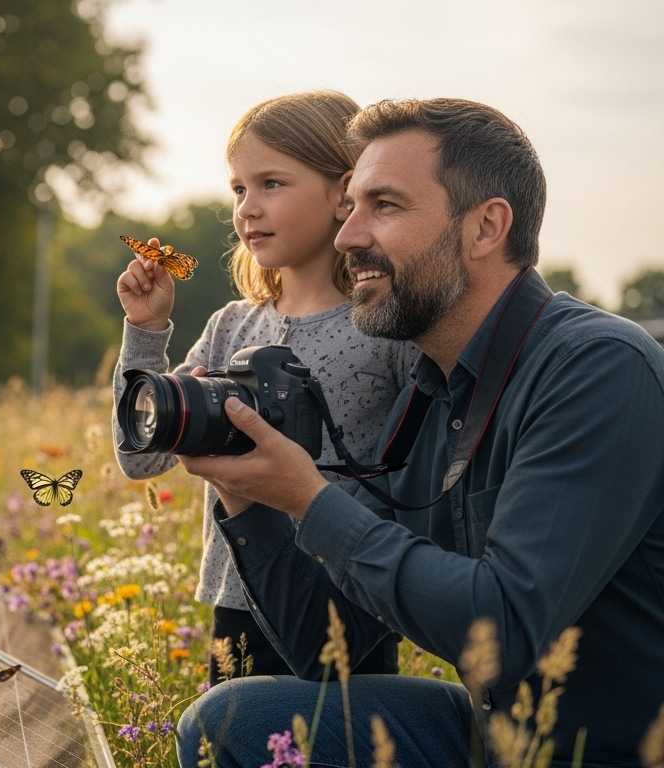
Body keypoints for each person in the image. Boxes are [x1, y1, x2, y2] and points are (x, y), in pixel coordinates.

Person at [177, 98, 664, 767]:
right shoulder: (431, 390)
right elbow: (324, 649)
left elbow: (499, 630)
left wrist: (311, 501)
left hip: (596, 752)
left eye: (385, 206)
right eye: (349, 206)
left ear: (486, 227)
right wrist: (244, 486)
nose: (347, 236)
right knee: (230, 720)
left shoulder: (596, 368)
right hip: (490, 742)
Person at [111, 91, 418, 684]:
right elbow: (140, 457)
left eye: (272, 183)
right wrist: (146, 335)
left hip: (343, 607)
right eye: (238, 189)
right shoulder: (232, 324)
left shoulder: (386, 328)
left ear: (343, 192)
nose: (247, 209)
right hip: (237, 599)